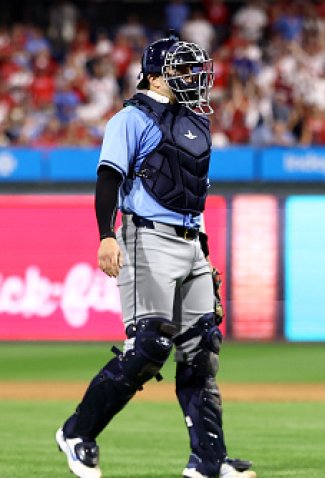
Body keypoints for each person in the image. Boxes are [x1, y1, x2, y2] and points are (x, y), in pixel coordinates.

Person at [55, 33, 256, 478]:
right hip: (147, 238)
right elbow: (109, 179)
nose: (193, 78)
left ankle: (208, 461)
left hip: (190, 242)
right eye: (182, 70)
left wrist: (201, 252)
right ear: (154, 76)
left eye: (193, 69)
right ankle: (77, 431)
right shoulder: (130, 119)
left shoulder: (194, 120)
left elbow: (191, 197)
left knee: (202, 349)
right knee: (149, 345)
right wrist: (105, 235)